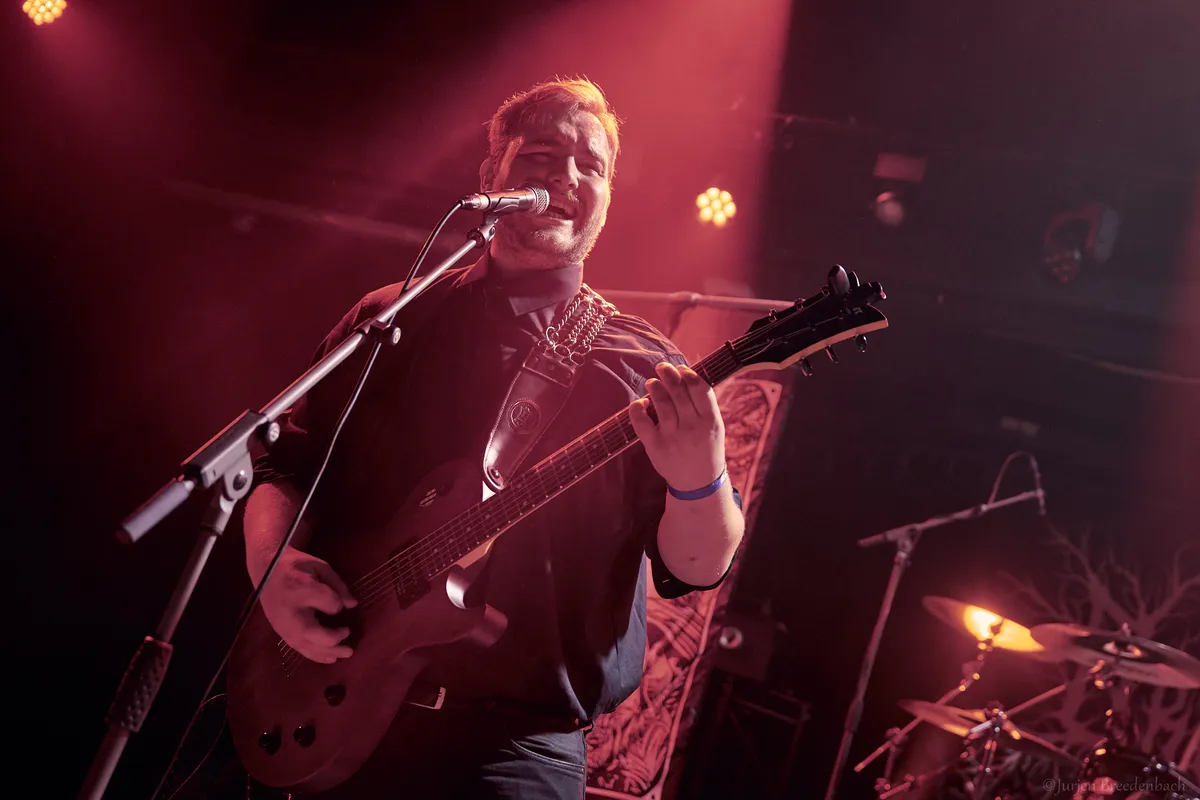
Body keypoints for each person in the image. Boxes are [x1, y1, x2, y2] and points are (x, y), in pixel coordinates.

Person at [238, 77, 744, 799]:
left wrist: (702, 477)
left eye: (590, 166)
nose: (565, 176)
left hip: (512, 755)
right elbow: (286, 465)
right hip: (334, 709)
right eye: (540, 155)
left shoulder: (641, 366)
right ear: (490, 177)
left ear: (606, 199)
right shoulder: (392, 317)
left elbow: (697, 566)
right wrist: (272, 567)